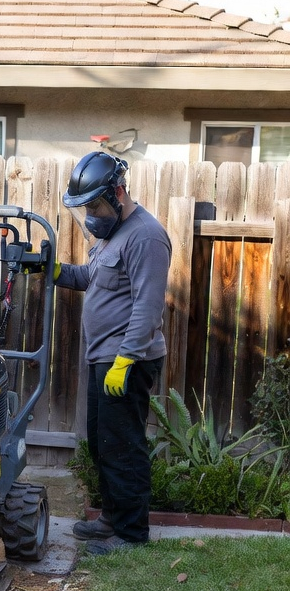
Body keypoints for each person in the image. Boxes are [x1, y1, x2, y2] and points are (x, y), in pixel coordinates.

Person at [56, 151, 172, 555]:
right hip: (105, 357)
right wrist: (54, 271)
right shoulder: (113, 233)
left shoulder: (146, 237)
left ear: (117, 193)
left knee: (123, 444)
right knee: (103, 443)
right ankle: (111, 516)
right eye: (85, 208)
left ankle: (131, 534)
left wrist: (125, 360)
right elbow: (94, 277)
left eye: (94, 206)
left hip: (128, 360)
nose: (90, 215)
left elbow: (148, 306)